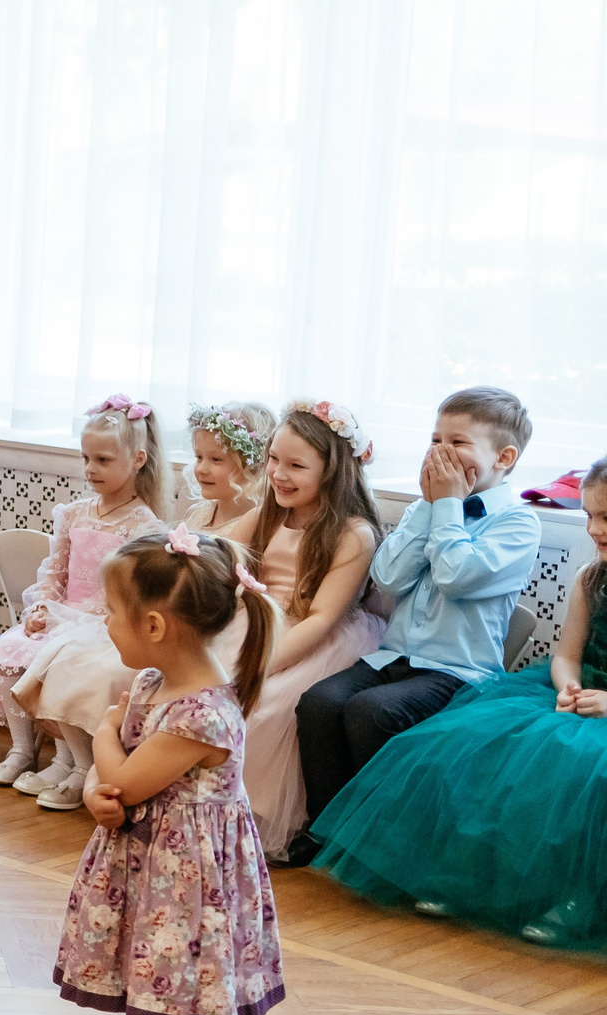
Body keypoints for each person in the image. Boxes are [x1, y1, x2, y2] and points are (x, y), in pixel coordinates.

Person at [55, 527, 282, 1015]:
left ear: (154, 624)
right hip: (152, 878)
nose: (106, 623)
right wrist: (100, 787)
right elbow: (120, 785)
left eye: (111, 612)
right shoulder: (154, 683)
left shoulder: (202, 715)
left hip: (188, 896)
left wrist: (100, 744)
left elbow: (123, 767)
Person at [312, 457, 607, 947]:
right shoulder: (590, 579)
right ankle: (463, 878)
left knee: (582, 766)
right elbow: (567, 655)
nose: (596, 529)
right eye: (591, 516)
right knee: (472, 744)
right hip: (573, 696)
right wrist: (568, 685)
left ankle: (579, 899)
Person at [289, 387, 540, 866]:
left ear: (504, 457)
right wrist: (429, 507)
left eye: (458, 442)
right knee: (319, 704)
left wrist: (446, 505)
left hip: (456, 671)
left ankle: (385, 841)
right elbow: (388, 578)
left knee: (371, 712)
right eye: (434, 438)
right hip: (395, 656)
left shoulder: (518, 523)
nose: (440, 451)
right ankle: (330, 829)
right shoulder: (424, 508)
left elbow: (455, 576)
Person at [0, 395, 167, 809]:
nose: (90, 469)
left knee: (66, 668)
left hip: (105, 624)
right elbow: (54, 572)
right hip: (63, 615)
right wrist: (41, 609)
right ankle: (24, 750)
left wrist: (84, 621)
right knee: (11, 652)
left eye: (102, 460)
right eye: (86, 458)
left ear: (137, 459)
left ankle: (79, 764)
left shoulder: (144, 525)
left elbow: (131, 594)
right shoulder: (74, 513)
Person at [219, 402, 384, 855]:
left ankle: (249, 820)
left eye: (296, 465)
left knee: (264, 706)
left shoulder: (354, 533)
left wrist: (259, 667)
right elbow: (215, 554)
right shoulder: (268, 514)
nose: (278, 474)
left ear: (333, 471)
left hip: (312, 637)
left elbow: (322, 619)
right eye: (274, 459)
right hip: (253, 620)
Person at [183, 402, 274, 532]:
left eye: (216, 459)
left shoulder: (256, 529)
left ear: (252, 466)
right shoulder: (196, 513)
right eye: (199, 457)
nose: (200, 469)